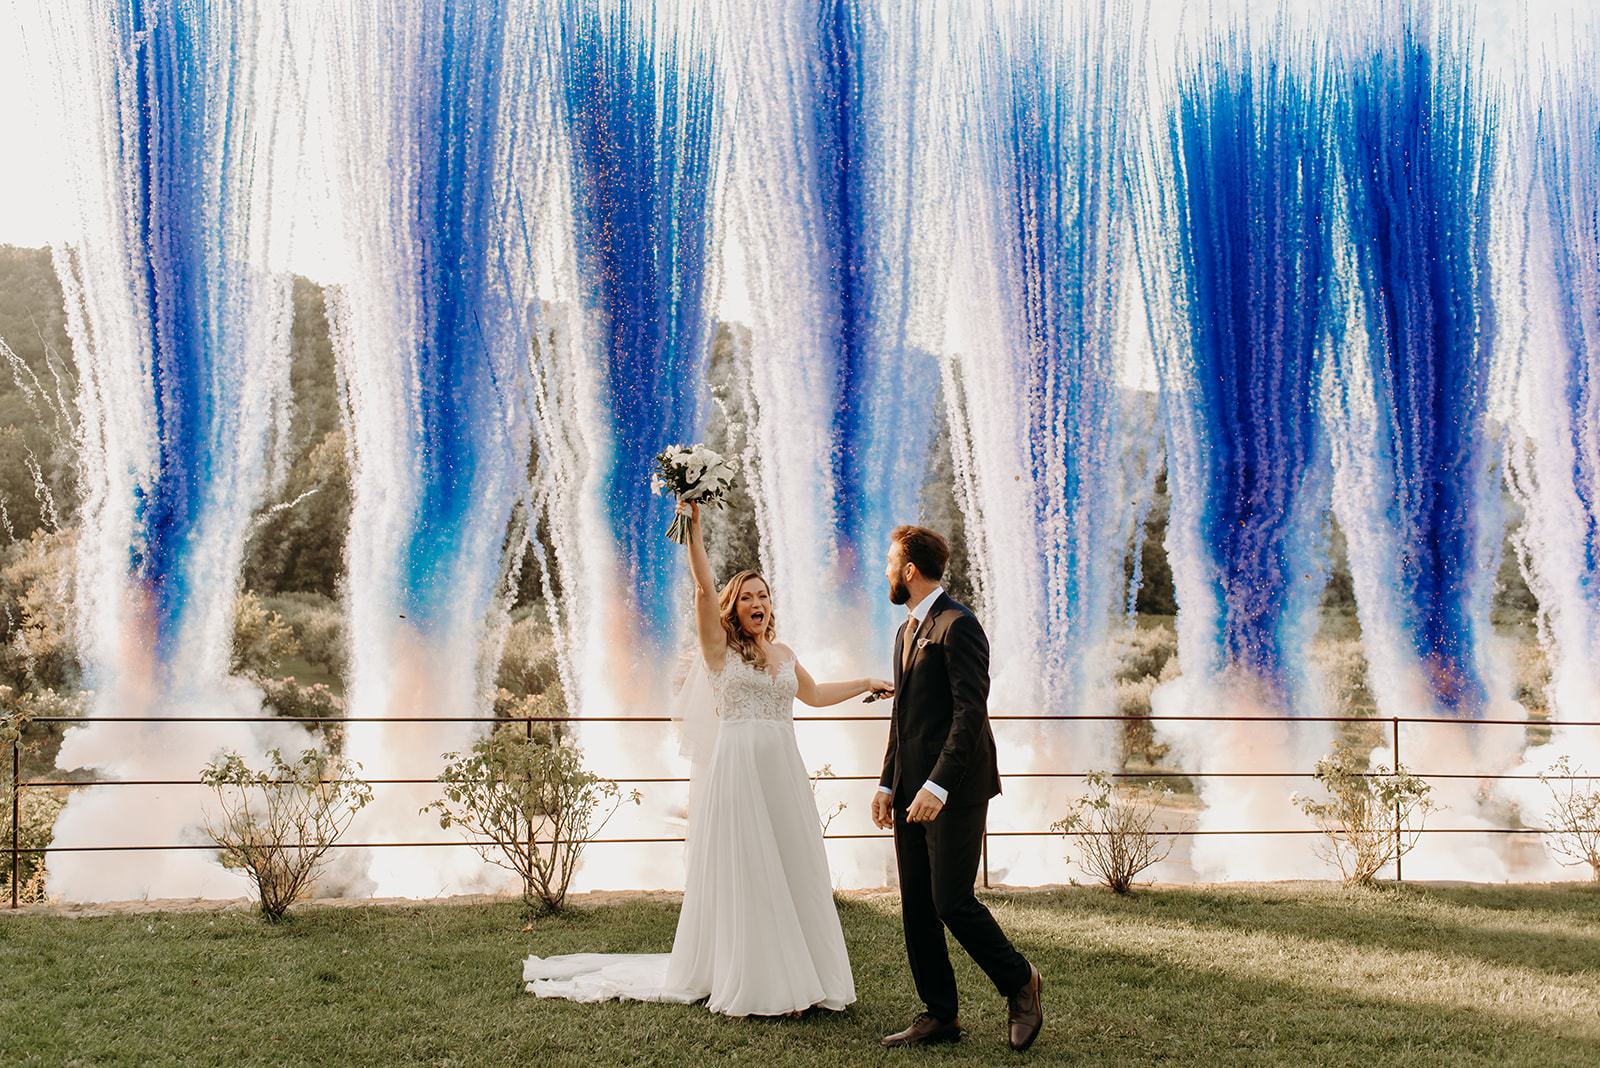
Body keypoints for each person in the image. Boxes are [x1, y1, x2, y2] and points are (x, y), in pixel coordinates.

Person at [523, 501, 891, 1017]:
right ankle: (764, 984)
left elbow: (813, 695)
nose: (757, 602)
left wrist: (866, 681)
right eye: (747, 597)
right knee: (752, 872)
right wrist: (694, 529)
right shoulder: (719, 650)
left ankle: (805, 978)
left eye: (763, 595)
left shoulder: (784, 654)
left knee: (794, 868)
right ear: (733, 608)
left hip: (784, 771)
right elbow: (701, 587)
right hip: (738, 771)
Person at [870, 525, 1043, 1051]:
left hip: (955, 790)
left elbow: (971, 715)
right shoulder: (905, 632)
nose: (885, 571)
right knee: (918, 906)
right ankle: (940, 1015)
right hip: (910, 792)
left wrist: (937, 786)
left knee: (950, 901)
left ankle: (1021, 982)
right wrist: (887, 783)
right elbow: (904, 717)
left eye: (890, 562)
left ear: (909, 570)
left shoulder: (959, 625)